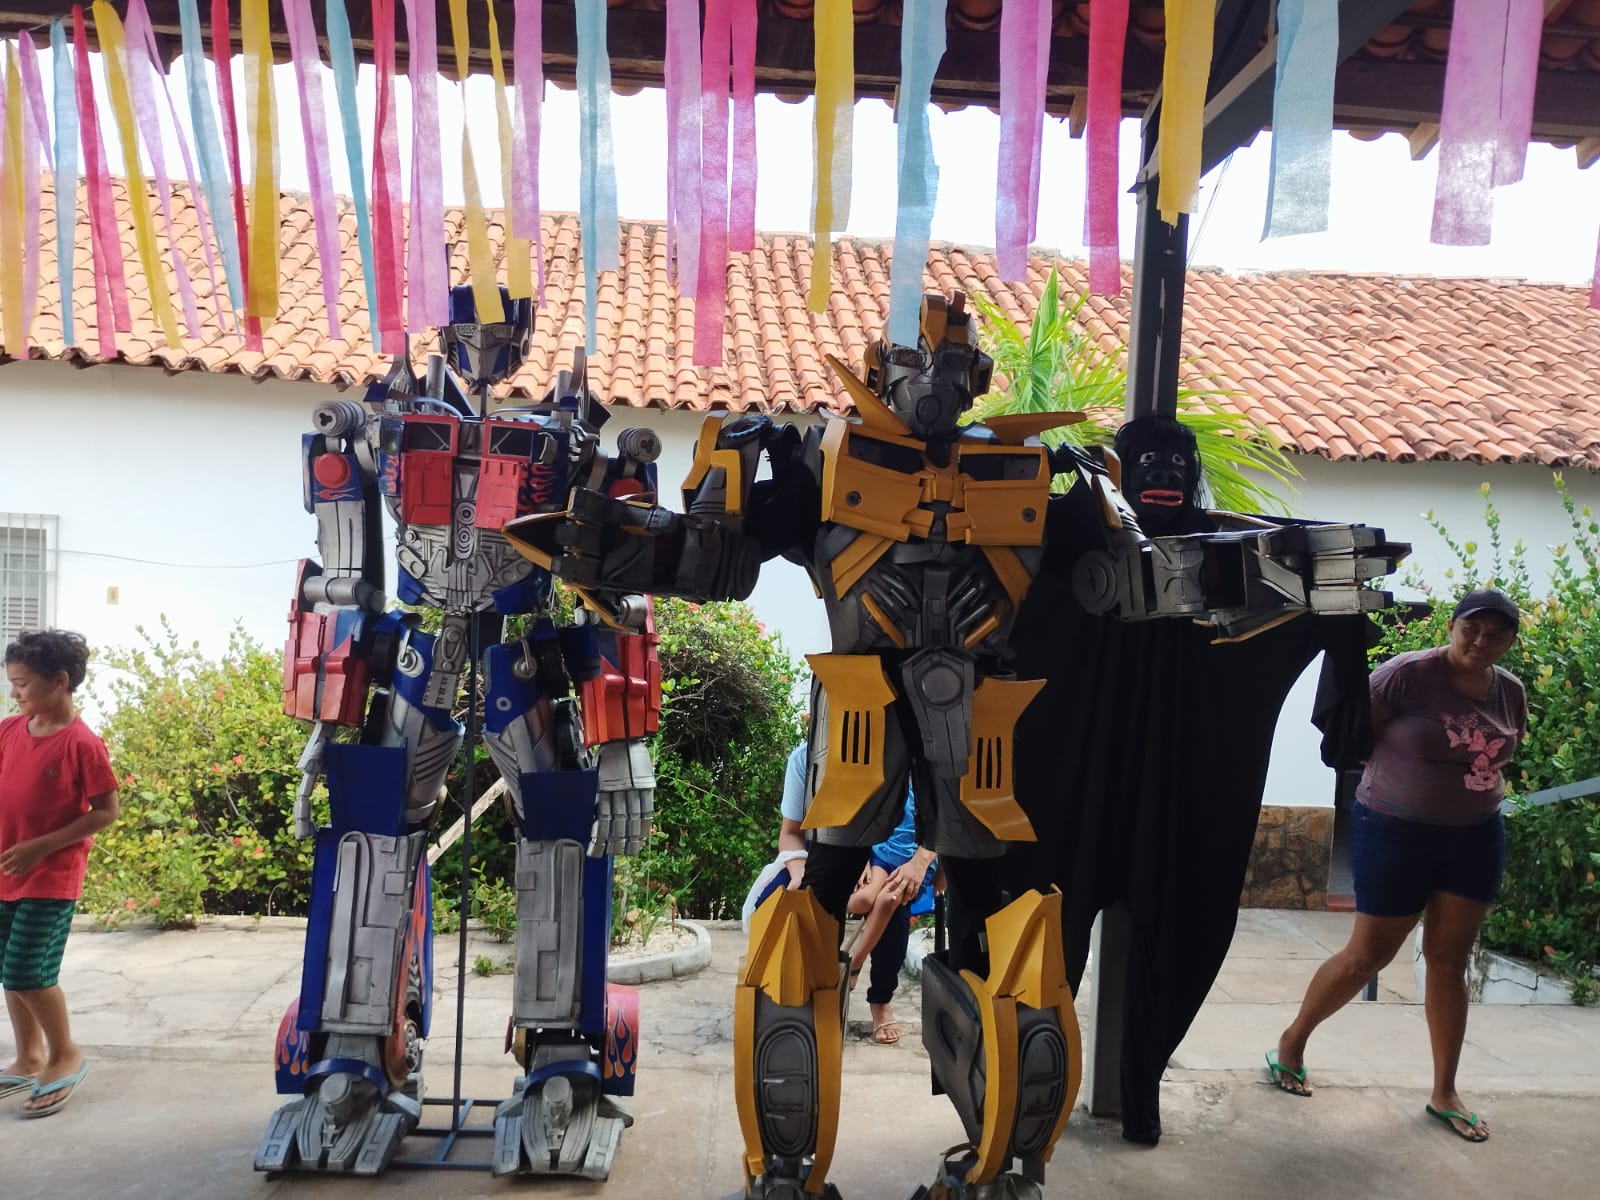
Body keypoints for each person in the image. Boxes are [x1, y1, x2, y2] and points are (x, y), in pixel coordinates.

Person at [1268, 589, 1527, 1144]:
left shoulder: (1510, 691)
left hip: (1475, 835)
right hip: (1394, 829)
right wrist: (1403, 781)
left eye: (1496, 635)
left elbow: (1505, 749)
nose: (1481, 642)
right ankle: (1292, 1041)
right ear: (1452, 626)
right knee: (1368, 956)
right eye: (1471, 630)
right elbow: (1351, 731)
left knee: (1448, 961)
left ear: (1509, 641)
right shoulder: (1408, 675)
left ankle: (1444, 1092)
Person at [0, 630, 120, 1118]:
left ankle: (64, 1053)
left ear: (60, 681)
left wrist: (40, 847)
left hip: (50, 875)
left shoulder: (82, 743)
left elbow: (106, 811)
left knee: (29, 970)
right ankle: (29, 1058)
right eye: (12, 683)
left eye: (23, 683)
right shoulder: (10, 731)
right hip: (8, 870)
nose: (15, 693)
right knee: (8, 968)